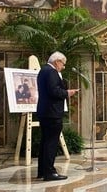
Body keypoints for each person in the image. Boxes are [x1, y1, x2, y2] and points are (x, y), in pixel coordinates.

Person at [36, 51, 79, 181]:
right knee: (51, 143)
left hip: (45, 112)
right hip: (52, 113)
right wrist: (68, 92)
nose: (64, 67)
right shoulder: (51, 72)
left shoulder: (43, 70)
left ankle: (42, 171)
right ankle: (50, 172)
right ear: (57, 62)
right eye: (63, 64)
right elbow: (54, 91)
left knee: (45, 142)